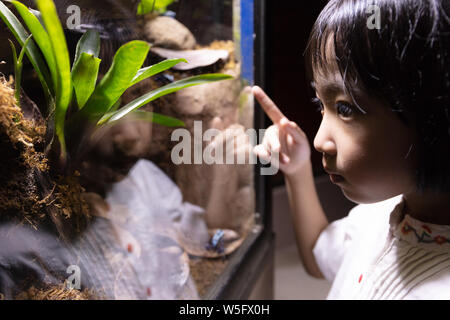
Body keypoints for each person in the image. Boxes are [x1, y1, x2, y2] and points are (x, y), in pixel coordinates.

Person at [253, 0, 450, 299]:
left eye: (345, 108)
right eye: (321, 105)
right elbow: (318, 253)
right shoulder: (382, 214)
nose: (319, 140)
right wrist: (297, 169)